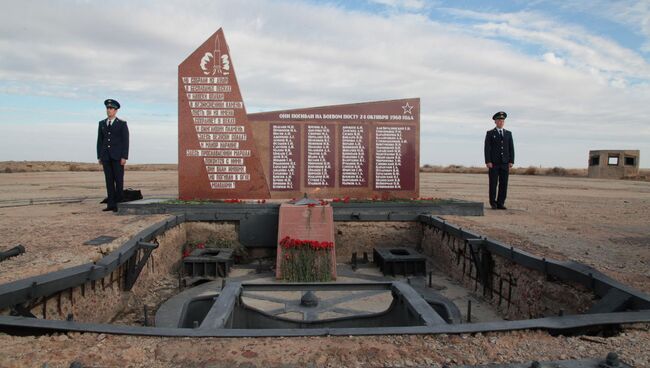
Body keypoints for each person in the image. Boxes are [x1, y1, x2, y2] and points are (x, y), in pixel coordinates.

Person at [97, 99, 129, 212]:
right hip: (106, 156)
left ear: (116, 111)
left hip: (118, 157)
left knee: (118, 180)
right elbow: (100, 141)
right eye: (107, 108)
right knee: (109, 180)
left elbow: (126, 141)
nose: (108, 110)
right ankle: (111, 204)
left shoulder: (122, 124)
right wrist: (99, 156)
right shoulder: (102, 123)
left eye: (111, 108)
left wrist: (124, 156)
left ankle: (119, 204)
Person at [484, 111, 514, 210]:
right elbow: (487, 148)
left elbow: (511, 148)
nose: (501, 122)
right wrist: (488, 161)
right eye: (499, 120)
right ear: (495, 122)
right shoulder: (490, 133)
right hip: (494, 163)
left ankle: (501, 203)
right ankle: (493, 203)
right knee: (493, 183)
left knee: (503, 183)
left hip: (505, 163)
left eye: (502, 120)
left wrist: (511, 161)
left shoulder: (508, 134)